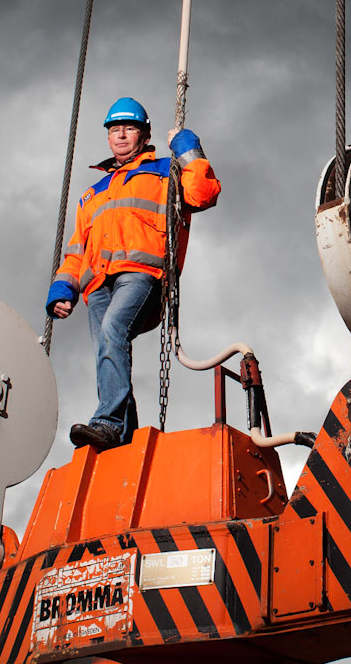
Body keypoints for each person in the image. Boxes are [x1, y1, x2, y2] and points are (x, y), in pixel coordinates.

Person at [46, 96, 221, 450]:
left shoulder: (164, 170)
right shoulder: (92, 195)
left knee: (113, 330)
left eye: (129, 128)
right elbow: (76, 249)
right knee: (107, 350)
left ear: (144, 134)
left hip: (141, 274)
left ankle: (107, 422)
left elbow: (203, 195)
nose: (121, 136)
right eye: (115, 130)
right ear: (108, 137)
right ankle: (124, 440)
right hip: (97, 284)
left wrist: (189, 148)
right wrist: (63, 289)